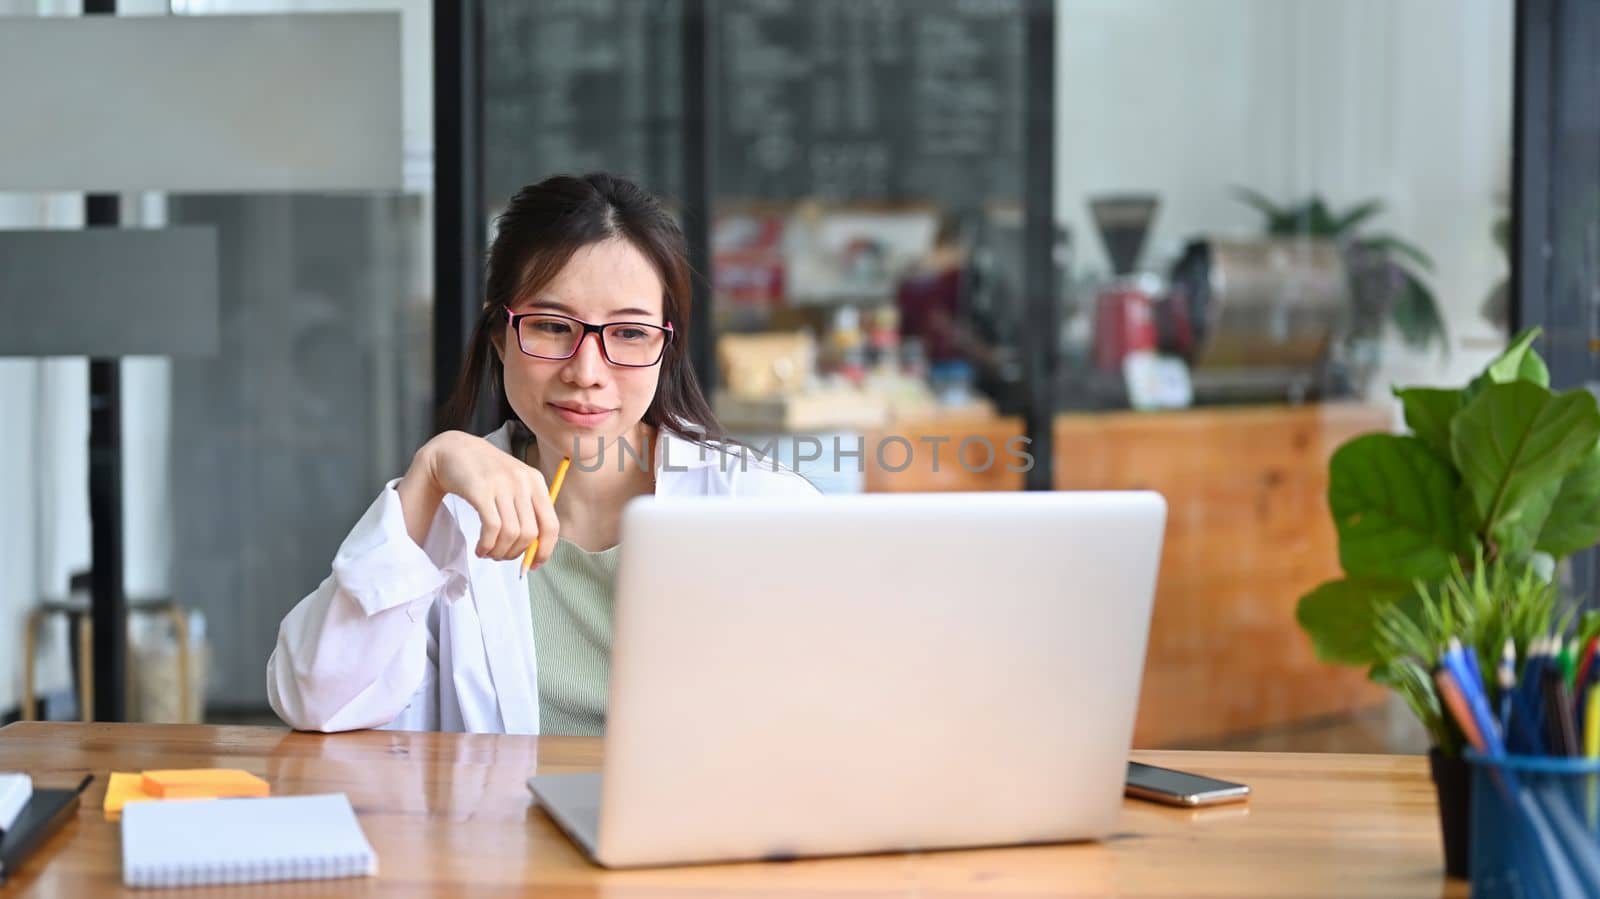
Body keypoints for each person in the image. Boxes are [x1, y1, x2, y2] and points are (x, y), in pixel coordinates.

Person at [268, 173, 817, 736]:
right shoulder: (448, 513)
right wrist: (428, 475)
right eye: (553, 327)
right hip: (504, 826)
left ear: (664, 349)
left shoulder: (763, 508)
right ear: (501, 336)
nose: (587, 372)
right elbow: (313, 699)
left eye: (629, 333)